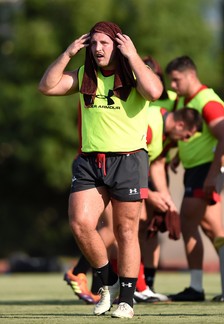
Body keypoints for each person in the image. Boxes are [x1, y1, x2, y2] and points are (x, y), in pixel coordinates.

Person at [38, 21, 163, 318]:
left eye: (104, 43)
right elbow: (46, 86)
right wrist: (68, 53)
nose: (97, 49)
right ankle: (107, 283)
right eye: (93, 44)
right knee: (81, 223)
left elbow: (155, 91)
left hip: (129, 160)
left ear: (118, 45)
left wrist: (132, 55)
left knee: (125, 231)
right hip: (90, 161)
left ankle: (127, 301)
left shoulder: (133, 74)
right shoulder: (84, 75)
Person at [165, 55, 224, 301]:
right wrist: (178, 156)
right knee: (211, 227)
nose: (173, 86)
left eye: (176, 80)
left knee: (188, 222)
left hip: (207, 169)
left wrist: (212, 176)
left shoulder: (208, 102)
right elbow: (192, 134)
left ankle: (197, 287)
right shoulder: (184, 98)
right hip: (195, 169)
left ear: (191, 76)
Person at [137, 106, 203, 301]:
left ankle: (144, 286)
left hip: (135, 179)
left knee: (146, 229)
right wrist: (149, 195)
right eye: (187, 135)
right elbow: (125, 163)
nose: (185, 140)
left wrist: (167, 200)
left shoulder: (168, 133)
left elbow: (157, 164)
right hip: (111, 175)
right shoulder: (150, 126)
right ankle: (92, 279)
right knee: (126, 231)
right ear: (180, 124)